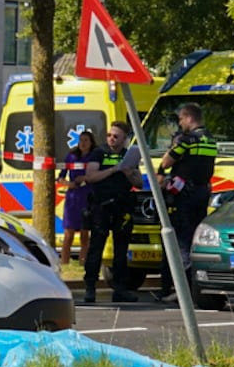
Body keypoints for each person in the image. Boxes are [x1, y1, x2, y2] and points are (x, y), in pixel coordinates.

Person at [154, 101, 219, 302]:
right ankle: (190, 286)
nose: (180, 123)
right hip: (202, 192)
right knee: (192, 239)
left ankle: (183, 289)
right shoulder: (210, 140)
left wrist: (162, 169)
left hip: (184, 195)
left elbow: (166, 162)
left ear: (189, 117)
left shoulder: (186, 140)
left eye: (181, 119)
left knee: (180, 241)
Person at [81, 120, 142, 304]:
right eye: (109, 135)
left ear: (124, 139)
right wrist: (114, 169)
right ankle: (90, 288)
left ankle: (120, 289)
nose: (111, 139)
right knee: (96, 249)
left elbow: (139, 183)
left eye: (116, 136)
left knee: (121, 251)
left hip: (122, 207)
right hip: (101, 207)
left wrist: (128, 172)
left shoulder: (128, 155)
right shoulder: (99, 153)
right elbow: (90, 176)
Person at [59, 126, 102, 270]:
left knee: (85, 233)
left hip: (87, 196)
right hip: (72, 198)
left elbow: (95, 175)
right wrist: (66, 183)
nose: (83, 143)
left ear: (91, 142)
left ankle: (83, 264)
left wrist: (84, 180)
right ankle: (64, 264)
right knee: (68, 234)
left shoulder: (94, 157)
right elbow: (61, 176)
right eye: (80, 140)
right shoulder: (71, 156)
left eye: (86, 140)